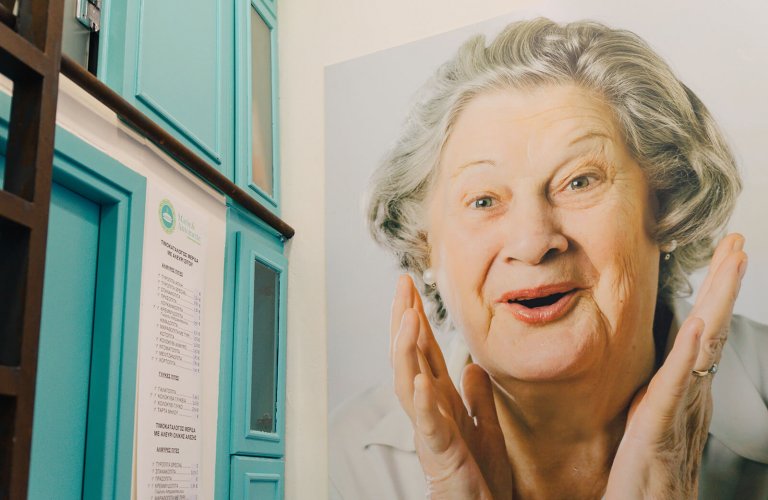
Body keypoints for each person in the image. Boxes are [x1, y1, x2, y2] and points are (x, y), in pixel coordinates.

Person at [329, 18, 768, 499]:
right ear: (423, 247)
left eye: (579, 181)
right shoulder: (347, 462)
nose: (533, 241)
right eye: (483, 201)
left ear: (666, 208)